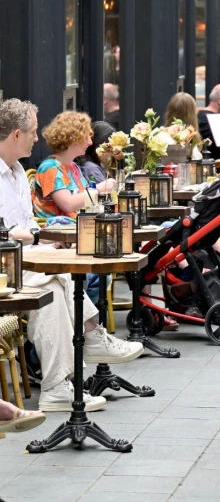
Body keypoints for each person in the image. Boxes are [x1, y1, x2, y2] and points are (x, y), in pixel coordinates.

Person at [0, 99, 142, 412]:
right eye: (33, 132)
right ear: (15, 136)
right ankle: (71, 367)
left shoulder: (18, 173)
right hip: (6, 265)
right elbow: (10, 233)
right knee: (52, 284)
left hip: (20, 258)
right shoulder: (40, 170)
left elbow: (24, 228)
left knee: (62, 275)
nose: (37, 138)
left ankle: (68, 374)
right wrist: (38, 239)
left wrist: (41, 242)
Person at [32, 111, 115, 221]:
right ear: (72, 139)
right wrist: (100, 188)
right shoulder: (50, 168)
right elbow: (68, 205)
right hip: (59, 233)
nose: (90, 142)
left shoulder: (73, 167)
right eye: (86, 137)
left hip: (78, 229)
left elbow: (85, 203)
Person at [76, 120, 115, 185]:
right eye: (110, 147)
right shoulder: (91, 168)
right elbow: (105, 193)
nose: (113, 152)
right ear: (99, 146)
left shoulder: (99, 165)